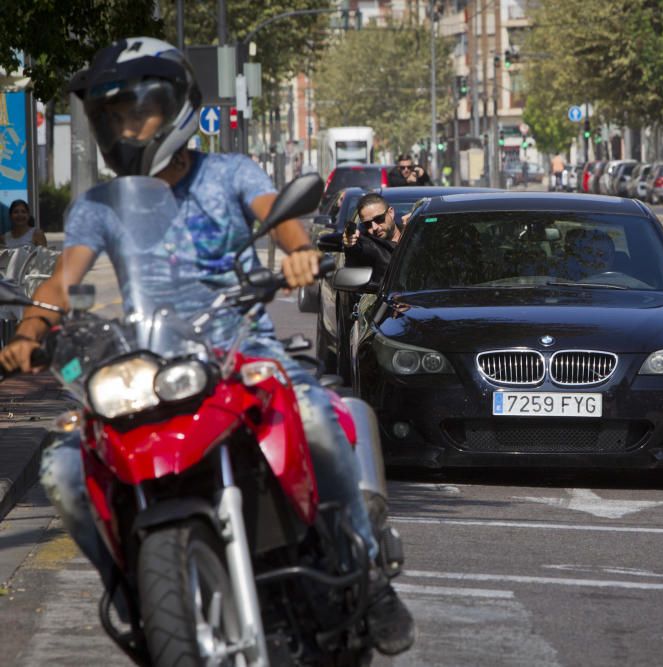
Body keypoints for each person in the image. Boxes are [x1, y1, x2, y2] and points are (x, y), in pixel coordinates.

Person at [0, 37, 414, 655]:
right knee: (64, 466)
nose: (125, 127)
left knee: (319, 418)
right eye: (112, 116)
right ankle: (134, 591)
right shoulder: (100, 205)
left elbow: (278, 213)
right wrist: (32, 329)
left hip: (241, 347)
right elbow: (65, 279)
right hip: (148, 361)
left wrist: (299, 250)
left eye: (136, 110)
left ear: (176, 108)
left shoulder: (230, 172)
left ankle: (370, 575)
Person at [342, 192, 401, 285]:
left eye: (379, 219)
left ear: (391, 212)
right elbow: (358, 250)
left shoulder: (414, 233)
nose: (374, 227)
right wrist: (350, 244)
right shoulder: (368, 244)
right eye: (367, 224)